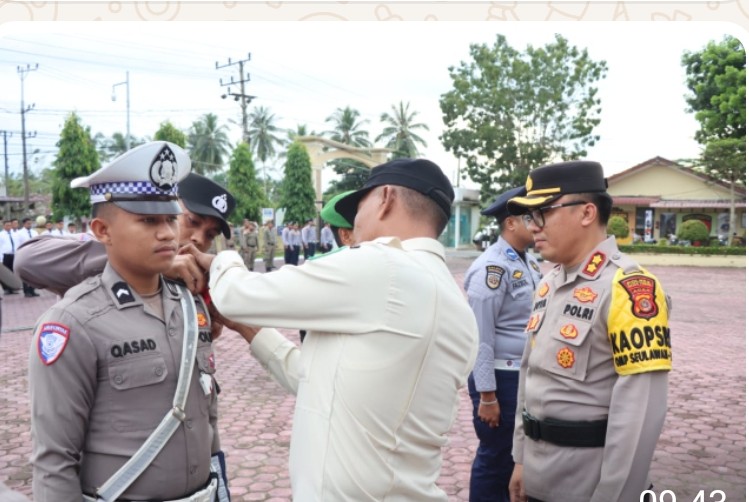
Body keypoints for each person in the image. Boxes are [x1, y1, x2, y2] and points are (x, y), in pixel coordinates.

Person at [189, 157, 479, 501]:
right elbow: (317, 382)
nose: (353, 222)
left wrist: (219, 261)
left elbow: (238, 294)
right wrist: (248, 330)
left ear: (385, 198)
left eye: (359, 205)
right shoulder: (455, 305)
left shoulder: (381, 265)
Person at [28, 140, 232, 501]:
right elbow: (55, 461)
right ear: (103, 231)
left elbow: (205, 412)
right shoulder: (75, 321)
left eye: (170, 218)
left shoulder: (189, 304)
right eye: (148, 220)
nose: (169, 233)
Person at [505, 161, 672, 502]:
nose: (532, 226)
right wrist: (520, 459)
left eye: (542, 213)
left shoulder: (629, 287)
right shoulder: (550, 282)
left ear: (586, 213)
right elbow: (530, 374)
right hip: (539, 474)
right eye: (529, 216)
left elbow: (639, 415)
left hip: (587, 485)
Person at [16, 170, 237, 299]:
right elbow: (27, 260)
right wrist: (144, 264)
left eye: (210, 234)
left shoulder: (196, 280)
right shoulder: (102, 247)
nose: (199, 238)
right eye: (191, 221)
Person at [464, 186, 541, 502]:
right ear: (511, 223)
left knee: (516, 458)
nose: (538, 223)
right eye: (531, 217)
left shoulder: (528, 261)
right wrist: (487, 395)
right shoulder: (491, 268)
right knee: (496, 459)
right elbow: (481, 337)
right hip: (499, 379)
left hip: (520, 375)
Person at [15, 218, 39, 297]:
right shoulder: (19, 233)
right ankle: (26, 291)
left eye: (30, 223)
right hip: (24, 255)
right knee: (25, 274)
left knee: (34, 274)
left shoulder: (34, 232)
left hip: (34, 255)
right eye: (28, 223)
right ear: (24, 224)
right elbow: (17, 245)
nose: (29, 225)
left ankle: (32, 290)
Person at [1, 220, 19, 294]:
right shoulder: (1, 235)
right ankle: (6, 289)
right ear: (4, 226)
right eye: (7, 225)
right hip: (5, 255)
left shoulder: (14, 234)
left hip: (14, 255)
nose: (9, 227)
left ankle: (12, 288)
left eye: (9, 225)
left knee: (12, 272)